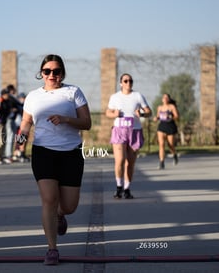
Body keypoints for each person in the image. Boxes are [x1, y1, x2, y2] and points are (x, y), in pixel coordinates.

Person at [17, 54, 92, 265]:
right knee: (49, 199)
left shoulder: (73, 92)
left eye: (56, 71)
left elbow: (87, 123)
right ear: (41, 73)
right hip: (43, 153)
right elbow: (26, 121)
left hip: (71, 153)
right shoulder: (33, 96)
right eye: (47, 71)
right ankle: (52, 249)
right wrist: (20, 139)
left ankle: (61, 214)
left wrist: (66, 119)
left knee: (69, 206)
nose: (52, 75)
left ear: (62, 73)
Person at [105, 73, 152, 200]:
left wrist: (141, 113)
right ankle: (118, 187)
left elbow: (149, 111)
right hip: (119, 130)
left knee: (130, 163)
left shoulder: (138, 96)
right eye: (125, 81)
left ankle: (127, 189)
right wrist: (114, 114)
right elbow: (107, 112)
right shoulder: (115, 97)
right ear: (121, 83)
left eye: (130, 81)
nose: (128, 83)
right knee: (119, 160)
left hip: (134, 130)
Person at [153, 93, 179, 169]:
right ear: (162, 99)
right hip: (162, 126)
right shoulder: (160, 107)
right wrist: (156, 118)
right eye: (164, 97)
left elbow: (177, 116)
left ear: (169, 99)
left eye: (167, 97)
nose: (165, 99)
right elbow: (158, 116)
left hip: (170, 126)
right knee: (161, 144)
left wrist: (170, 117)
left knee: (170, 145)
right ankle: (162, 162)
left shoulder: (171, 107)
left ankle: (174, 155)